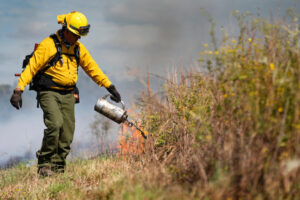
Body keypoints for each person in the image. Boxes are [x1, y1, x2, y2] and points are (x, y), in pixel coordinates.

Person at [10, 11, 121, 176]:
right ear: (66, 30)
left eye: (80, 35)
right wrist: (18, 90)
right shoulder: (48, 45)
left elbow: (92, 68)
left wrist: (109, 86)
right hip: (49, 92)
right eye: (76, 34)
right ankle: (44, 164)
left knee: (67, 134)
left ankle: (58, 168)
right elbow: (31, 67)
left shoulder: (78, 48)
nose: (78, 38)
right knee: (55, 124)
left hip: (68, 94)